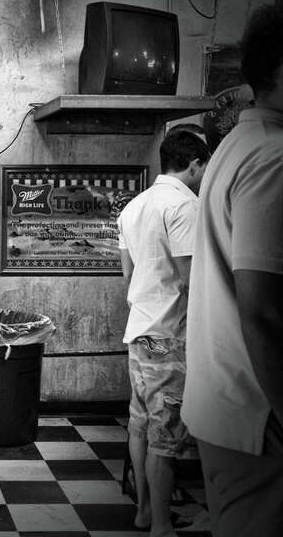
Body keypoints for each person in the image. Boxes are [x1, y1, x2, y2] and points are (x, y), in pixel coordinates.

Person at [182, 2, 283, 537]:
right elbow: (263, 310)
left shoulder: (236, 146)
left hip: (223, 402)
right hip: (260, 412)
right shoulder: (273, 156)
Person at [117, 126, 210, 537]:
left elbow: (128, 274)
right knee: (165, 437)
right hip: (171, 334)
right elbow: (193, 278)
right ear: (194, 164)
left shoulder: (133, 206)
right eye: (204, 168)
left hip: (140, 330)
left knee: (140, 425)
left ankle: (143, 512)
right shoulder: (183, 205)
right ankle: (160, 527)